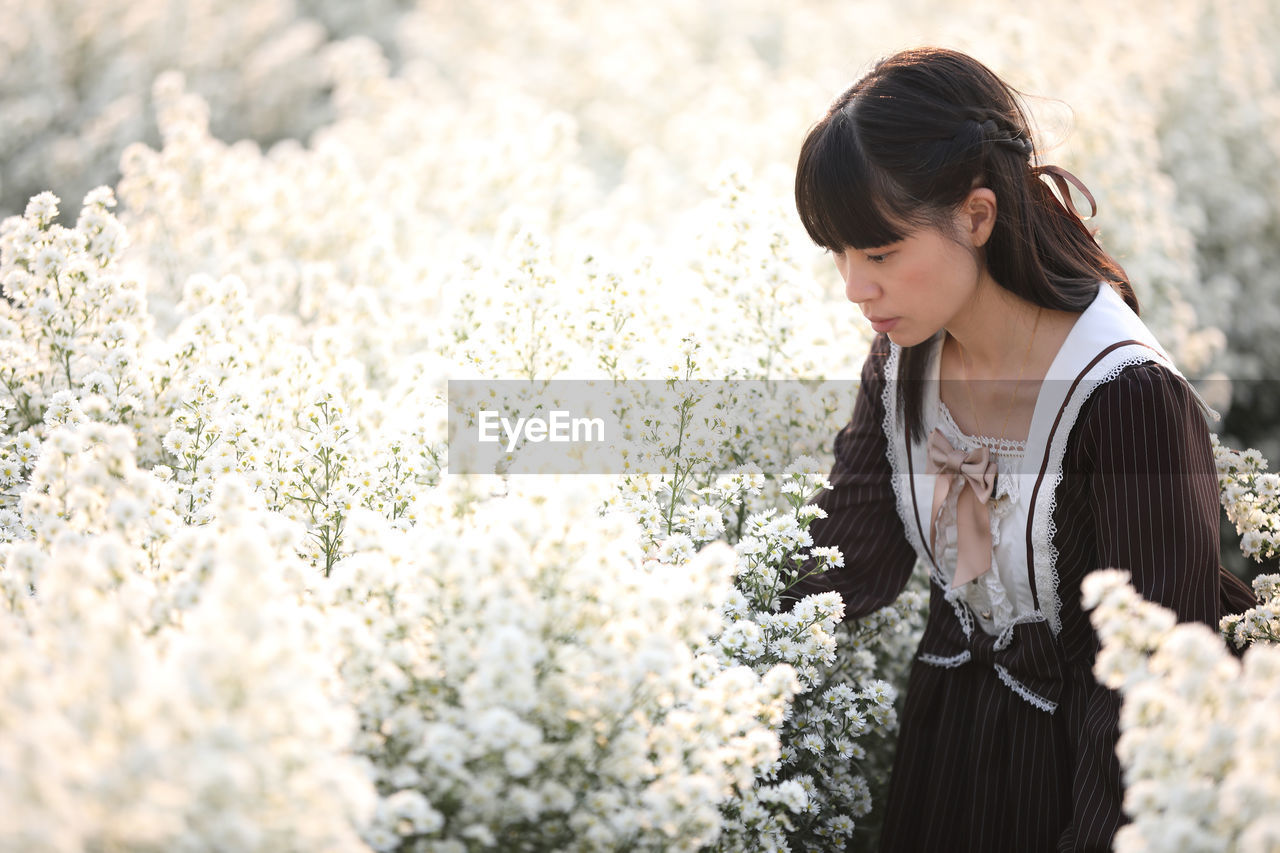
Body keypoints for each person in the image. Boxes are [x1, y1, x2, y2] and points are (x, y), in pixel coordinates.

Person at [785, 47, 1256, 852]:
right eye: (840, 256)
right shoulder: (903, 359)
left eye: (880, 252)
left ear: (976, 215)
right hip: (949, 754)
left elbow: (1154, 682)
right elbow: (848, 561)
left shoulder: (1125, 397)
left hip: (1086, 781)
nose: (855, 288)